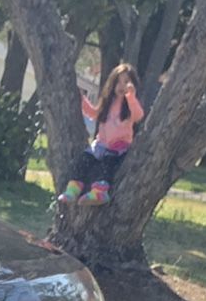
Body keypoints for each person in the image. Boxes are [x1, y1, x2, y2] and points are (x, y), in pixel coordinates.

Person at [60, 64, 144, 206]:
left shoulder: (129, 106)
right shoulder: (108, 102)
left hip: (118, 147)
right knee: (83, 160)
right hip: (100, 144)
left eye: (126, 82)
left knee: (105, 165)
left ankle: (99, 192)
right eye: (118, 81)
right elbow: (93, 113)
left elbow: (138, 116)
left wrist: (131, 97)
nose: (121, 86)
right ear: (112, 83)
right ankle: (73, 189)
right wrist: (82, 100)